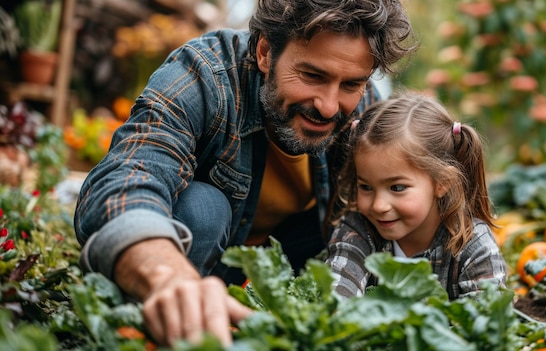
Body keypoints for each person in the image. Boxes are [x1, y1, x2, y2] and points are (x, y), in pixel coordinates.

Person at [73, 0, 415, 347]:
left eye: (350, 85)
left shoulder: (365, 113)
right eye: (313, 76)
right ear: (266, 51)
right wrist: (164, 275)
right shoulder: (205, 74)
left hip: (284, 267)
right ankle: (171, 324)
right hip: (200, 264)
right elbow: (128, 175)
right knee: (203, 207)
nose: (328, 106)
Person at [325, 91, 507, 300]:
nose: (378, 205)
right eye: (366, 187)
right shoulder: (357, 231)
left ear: (442, 182)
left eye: (397, 188)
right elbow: (337, 297)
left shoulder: (473, 245)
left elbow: (487, 317)